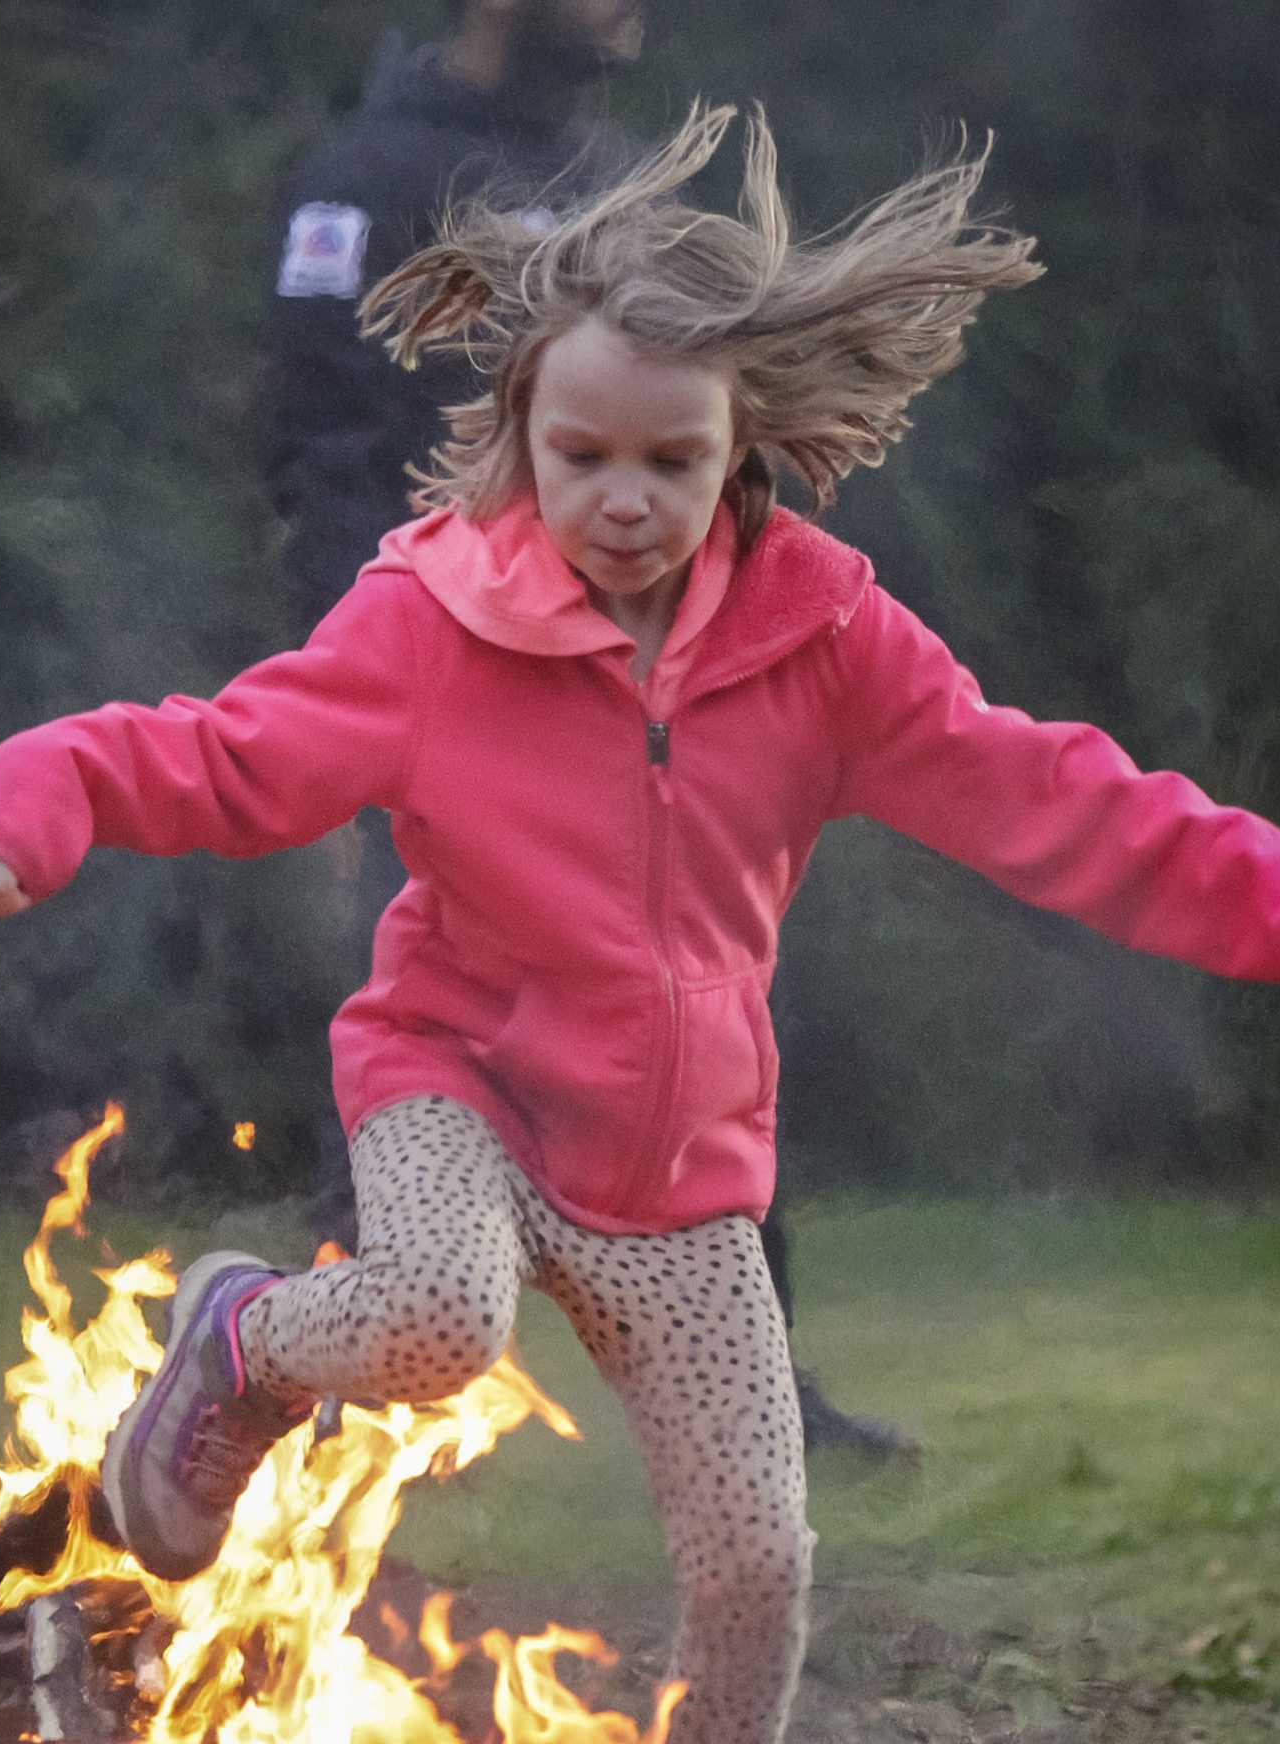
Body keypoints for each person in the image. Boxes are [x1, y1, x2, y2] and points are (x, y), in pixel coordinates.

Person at [0, 107, 1280, 1744]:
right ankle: (239, 1347)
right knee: (441, 1321)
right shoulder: (430, 622)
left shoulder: (831, 642)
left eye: (669, 459)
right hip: (453, 1071)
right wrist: (25, 808)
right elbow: (221, 756)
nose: (620, 497)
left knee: (757, 1563)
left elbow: (1057, 798)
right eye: (579, 456)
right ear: (517, 439)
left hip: (680, 1161)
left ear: (743, 456)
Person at [268, 0, 907, 1459]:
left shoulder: (630, 171)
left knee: (708, 1017)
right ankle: (311, 1401)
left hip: (651, 704)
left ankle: (761, 1402)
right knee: (423, 1041)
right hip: (450, 711)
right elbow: (319, 458)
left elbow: (717, 432)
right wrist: (364, 696)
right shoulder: (365, 178)